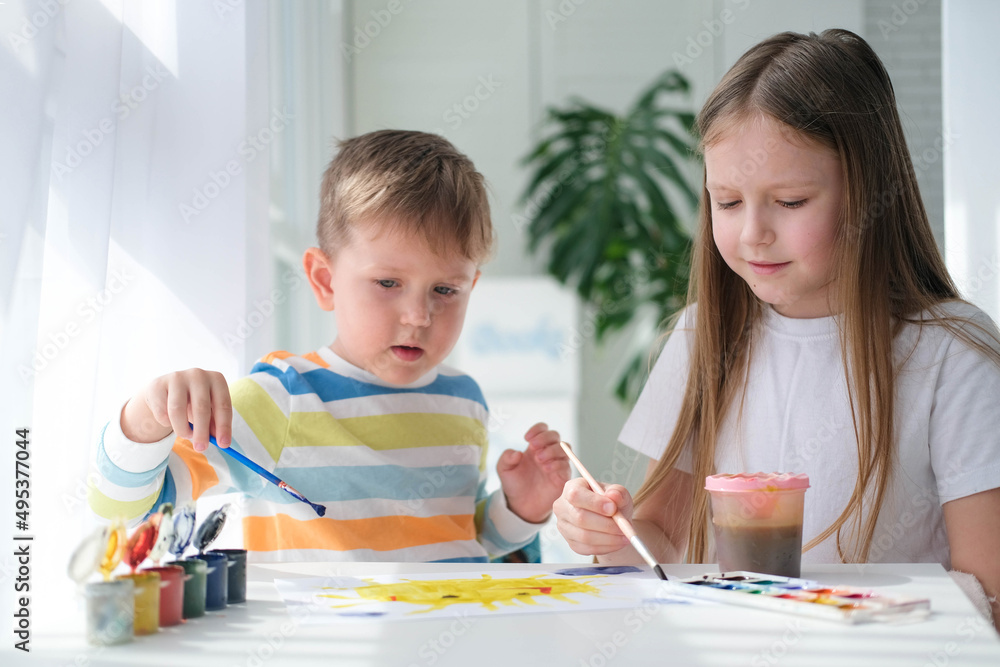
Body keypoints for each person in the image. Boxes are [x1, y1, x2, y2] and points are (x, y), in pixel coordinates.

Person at [553, 29, 1000, 629]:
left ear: (870, 194)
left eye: (790, 202)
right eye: (727, 202)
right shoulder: (699, 339)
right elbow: (661, 544)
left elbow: (989, 594)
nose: (752, 234)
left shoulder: (953, 354)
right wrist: (609, 533)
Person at [90, 129, 570, 563]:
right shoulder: (280, 400)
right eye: (388, 283)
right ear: (324, 280)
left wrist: (520, 510)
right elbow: (126, 513)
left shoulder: (464, 400)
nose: (419, 316)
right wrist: (145, 418)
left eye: (445, 290)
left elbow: (460, 541)